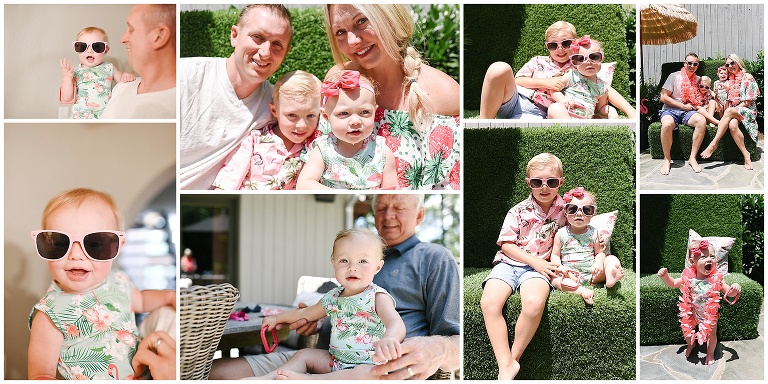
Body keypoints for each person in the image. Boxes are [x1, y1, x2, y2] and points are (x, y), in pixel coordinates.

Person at [209, 194, 460, 380]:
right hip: (325, 357)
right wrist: (304, 320)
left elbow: (455, 341)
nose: (388, 215)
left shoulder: (434, 258)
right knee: (214, 372)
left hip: (375, 366)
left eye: (399, 207)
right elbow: (308, 313)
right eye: (381, 207)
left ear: (419, 215)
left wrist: (432, 348)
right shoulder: (355, 255)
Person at [27, 188, 176, 380]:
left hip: (147, 372)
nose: (76, 255)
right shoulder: (48, 315)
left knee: (170, 314)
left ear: (118, 247)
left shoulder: (118, 280)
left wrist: (170, 296)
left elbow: (142, 299)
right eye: (60, 243)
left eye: (95, 244)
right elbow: (40, 375)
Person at [322, 4, 460, 190]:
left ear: (390, 15)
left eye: (361, 21)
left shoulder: (445, 94)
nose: (352, 40)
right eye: (340, 32)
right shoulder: (338, 79)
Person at [249, 229, 405, 379]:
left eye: (363, 261)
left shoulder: (377, 296)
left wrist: (390, 338)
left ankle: (309, 380)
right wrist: (277, 318)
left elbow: (395, 322)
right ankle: (269, 378)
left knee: (368, 374)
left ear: (377, 267)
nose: (352, 267)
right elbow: (305, 314)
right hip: (334, 362)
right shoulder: (332, 297)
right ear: (333, 263)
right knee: (305, 354)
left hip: (369, 365)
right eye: (344, 260)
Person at [180, 5, 292, 190]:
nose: (265, 52)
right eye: (258, 37)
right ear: (234, 35)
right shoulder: (185, 76)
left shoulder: (278, 106)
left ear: (286, 53)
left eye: (277, 44)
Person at [480, 153, 567, 380]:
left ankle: (511, 363)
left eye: (552, 182)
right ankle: (505, 364)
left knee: (533, 303)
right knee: (489, 302)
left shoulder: (568, 210)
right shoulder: (518, 211)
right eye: (537, 182)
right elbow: (507, 245)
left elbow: (586, 221)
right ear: (529, 183)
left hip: (540, 270)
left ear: (561, 182)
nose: (544, 187)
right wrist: (535, 261)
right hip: (509, 264)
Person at [479, 21, 634, 120]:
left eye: (565, 43)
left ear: (574, 45)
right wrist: (547, 83)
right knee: (499, 68)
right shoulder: (538, 61)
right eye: (553, 45)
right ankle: (484, 125)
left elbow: (604, 87)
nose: (559, 49)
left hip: (537, 112)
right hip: (515, 100)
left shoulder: (579, 66)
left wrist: (629, 111)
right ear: (547, 47)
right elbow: (518, 80)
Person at [213, 70, 322, 190]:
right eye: (292, 115)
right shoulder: (253, 141)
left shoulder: (317, 146)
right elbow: (226, 183)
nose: (302, 125)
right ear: (274, 111)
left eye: (310, 116)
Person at [297, 70, 397, 190]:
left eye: (364, 112)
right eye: (344, 113)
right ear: (326, 117)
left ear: (374, 112)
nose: (355, 121)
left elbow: (391, 190)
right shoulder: (323, 150)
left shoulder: (382, 152)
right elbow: (304, 184)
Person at [657, 240, 742, 365]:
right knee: (687, 331)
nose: (709, 260)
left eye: (712, 256)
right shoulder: (689, 277)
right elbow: (674, 283)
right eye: (703, 257)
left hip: (709, 315)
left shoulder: (716, 279)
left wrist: (734, 289)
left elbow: (729, 293)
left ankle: (710, 353)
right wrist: (665, 277)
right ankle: (691, 344)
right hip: (692, 312)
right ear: (693, 262)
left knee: (711, 336)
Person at [550, 187, 625, 305]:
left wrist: (599, 263)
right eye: (573, 209)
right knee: (555, 280)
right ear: (565, 212)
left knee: (611, 258)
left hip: (594, 275)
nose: (579, 213)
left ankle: (611, 276)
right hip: (570, 276)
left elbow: (600, 252)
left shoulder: (594, 233)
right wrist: (560, 267)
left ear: (593, 213)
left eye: (586, 210)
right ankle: (581, 291)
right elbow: (555, 255)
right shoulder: (561, 234)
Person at [100, 4, 176, 119]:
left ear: (159, 36)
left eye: (131, 30)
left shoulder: (176, 105)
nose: (122, 39)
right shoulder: (121, 87)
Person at [59, 27, 136, 119]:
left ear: (105, 50)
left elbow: (121, 79)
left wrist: (125, 75)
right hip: (80, 116)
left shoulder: (109, 67)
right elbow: (67, 98)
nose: (89, 50)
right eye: (82, 46)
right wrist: (66, 79)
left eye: (97, 47)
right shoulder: (76, 71)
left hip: (104, 115)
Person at [699, 54, 760, 170]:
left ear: (738, 62)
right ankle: (746, 155)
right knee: (732, 125)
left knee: (730, 111)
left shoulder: (747, 77)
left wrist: (731, 110)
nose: (730, 66)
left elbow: (747, 102)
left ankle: (714, 144)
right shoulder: (730, 80)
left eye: (732, 63)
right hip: (734, 112)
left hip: (748, 111)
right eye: (727, 64)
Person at [658, 52, 709, 175]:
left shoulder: (698, 80)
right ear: (684, 63)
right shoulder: (674, 76)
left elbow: (706, 93)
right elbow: (663, 97)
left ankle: (692, 158)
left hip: (689, 111)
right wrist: (682, 106)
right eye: (689, 63)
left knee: (701, 121)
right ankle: (667, 159)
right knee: (667, 124)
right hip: (670, 110)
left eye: (695, 64)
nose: (692, 66)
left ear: (697, 65)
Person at [547, 37, 610, 119]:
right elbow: (554, 89)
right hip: (566, 113)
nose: (588, 62)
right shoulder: (572, 75)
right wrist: (562, 100)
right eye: (580, 59)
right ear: (574, 63)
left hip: (584, 120)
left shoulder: (602, 87)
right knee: (555, 108)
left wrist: (610, 110)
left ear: (602, 58)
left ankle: (574, 129)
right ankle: (569, 128)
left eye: (594, 57)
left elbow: (601, 108)